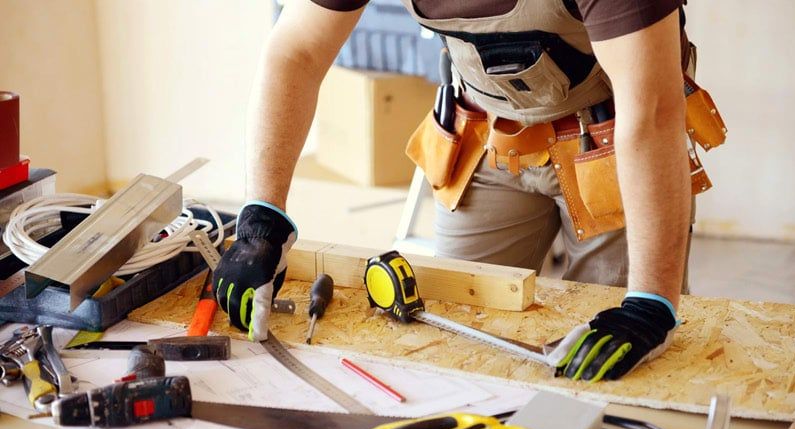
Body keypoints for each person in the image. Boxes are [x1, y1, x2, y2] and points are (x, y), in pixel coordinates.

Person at [212, 0, 709, 382]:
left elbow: (653, 110)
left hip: (612, 142)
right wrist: (263, 217)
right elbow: (296, 50)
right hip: (487, 135)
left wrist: (650, 303)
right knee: (452, 339)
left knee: (613, 367)